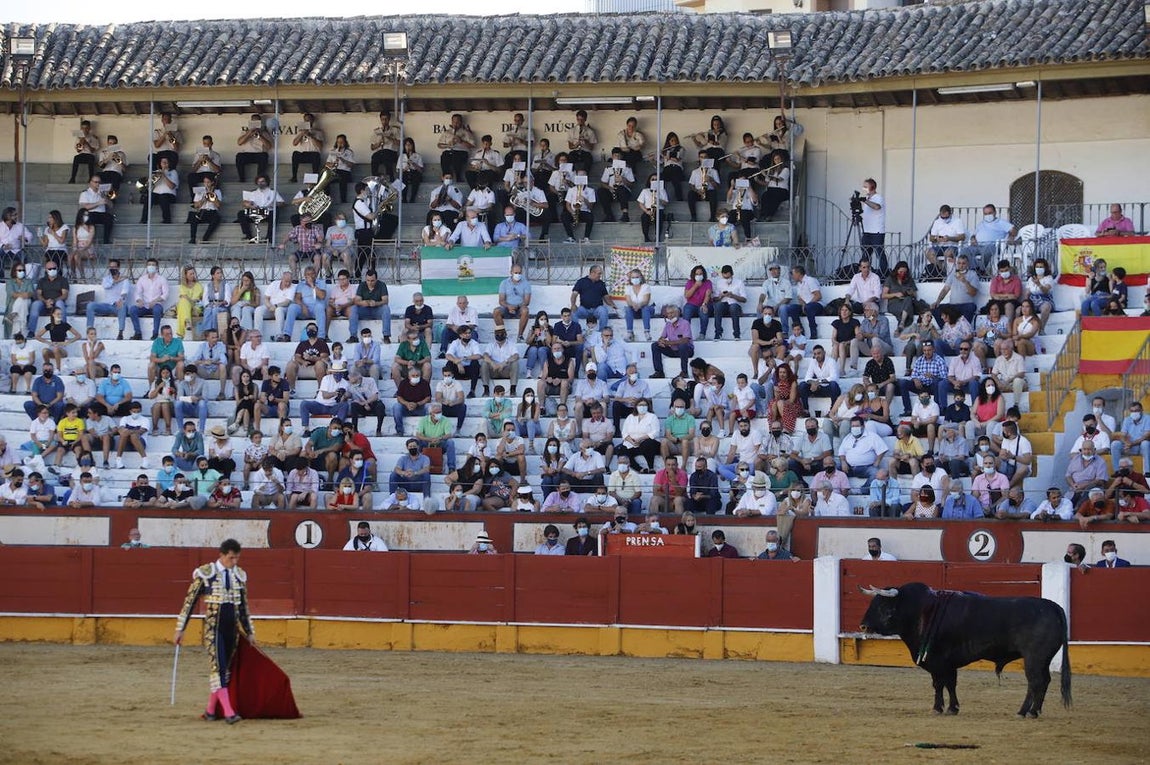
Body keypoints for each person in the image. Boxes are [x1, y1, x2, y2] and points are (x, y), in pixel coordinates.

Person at [174, 538, 253, 724]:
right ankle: (228, 712)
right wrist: (180, 629)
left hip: (231, 630)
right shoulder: (206, 573)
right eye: (231, 558)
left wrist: (249, 632)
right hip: (213, 629)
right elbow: (190, 602)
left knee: (224, 670)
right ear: (222, 555)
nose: (234, 562)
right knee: (218, 668)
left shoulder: (239, 575)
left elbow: (243, 608)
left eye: (237, 559)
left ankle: (210, 711)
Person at [650, 305, 694, 379]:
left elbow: (686, 340)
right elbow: (662, 337)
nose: (669, 315)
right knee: (655, 345)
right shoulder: (668, 324)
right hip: (673, 351)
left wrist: (669, 343)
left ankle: (684, 372)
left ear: (677, 313)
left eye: (672, 313)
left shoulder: (685, 323)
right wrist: (661, 341)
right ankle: (659, 372)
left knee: (682, 345)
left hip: (686, 351)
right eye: (668, 313)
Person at [570, 265, 615, 331]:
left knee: (604, 311)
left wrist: (613, 305)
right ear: (592, 273)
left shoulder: (601, 284)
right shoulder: (581, 282)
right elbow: (574, 294)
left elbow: (606, 297)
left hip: (597, 309)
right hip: (584, 309)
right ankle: (577, 333)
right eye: (599, 273)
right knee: (573, 312)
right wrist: (573, 305)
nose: (600, 276)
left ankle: (601, 332)